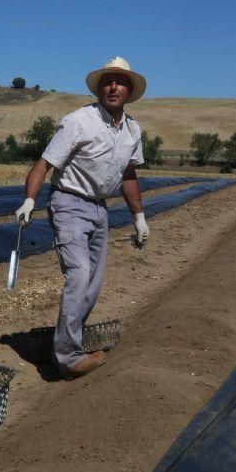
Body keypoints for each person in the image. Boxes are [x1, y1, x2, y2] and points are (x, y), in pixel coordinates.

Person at [15, 57, 150, 378]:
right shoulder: (78, 121)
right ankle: (68, 358)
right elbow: (43, 164)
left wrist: (139, 216)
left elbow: (129, 174)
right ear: (100, 88)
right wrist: (29, 200)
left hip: (99, 209)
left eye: (120, 82)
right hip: (68, 203)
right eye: (107, 81)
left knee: (92, 284)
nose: (113, 86)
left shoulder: (132, 129)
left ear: (129, 91)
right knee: (79, 275)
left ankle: (63, 346)